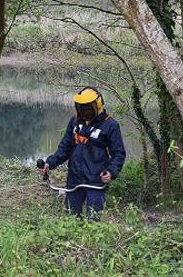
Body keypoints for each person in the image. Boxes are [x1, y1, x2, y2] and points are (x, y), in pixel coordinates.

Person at [39, 86, 126, 219]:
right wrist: (49, 163)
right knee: (71, 219)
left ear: (97, 105)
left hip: (95, 182)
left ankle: (91, 240)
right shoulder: (74, 122)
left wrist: (111, 172)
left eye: (88, 107)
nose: (85, 110)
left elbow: (118, 154)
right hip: (74, 181)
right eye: (82, 107)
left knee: (94, 220)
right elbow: (64, 149)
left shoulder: (110, 125)